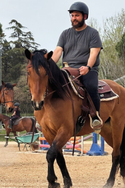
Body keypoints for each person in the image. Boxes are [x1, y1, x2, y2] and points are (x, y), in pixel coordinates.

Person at [51, 2, 103, 132]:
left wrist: (88, 67)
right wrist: (49, 67)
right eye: (72, 15)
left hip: (85, 69)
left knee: (91, 86)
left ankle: (95, 116)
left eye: (77, 15)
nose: (74, 18)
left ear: (85, 16)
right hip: (67, 69)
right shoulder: (65, 34)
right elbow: (58, 51)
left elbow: (94, 53)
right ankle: (44, 118)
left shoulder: (92, 33)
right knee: (49, 85)